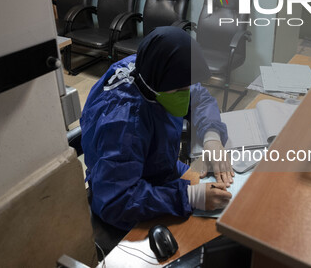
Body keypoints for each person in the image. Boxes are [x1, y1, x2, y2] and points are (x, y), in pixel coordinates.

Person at [81, 26, 234, 232]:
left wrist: (212, 137)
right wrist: (191, 196)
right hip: (129, 190)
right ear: (157, 84)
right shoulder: (124, 124)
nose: (186, 93)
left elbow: (200, 99)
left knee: (214, 185)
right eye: (180, 89)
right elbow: (116, 202)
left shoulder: (150, 67)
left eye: (188, 86)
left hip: (162, 167)